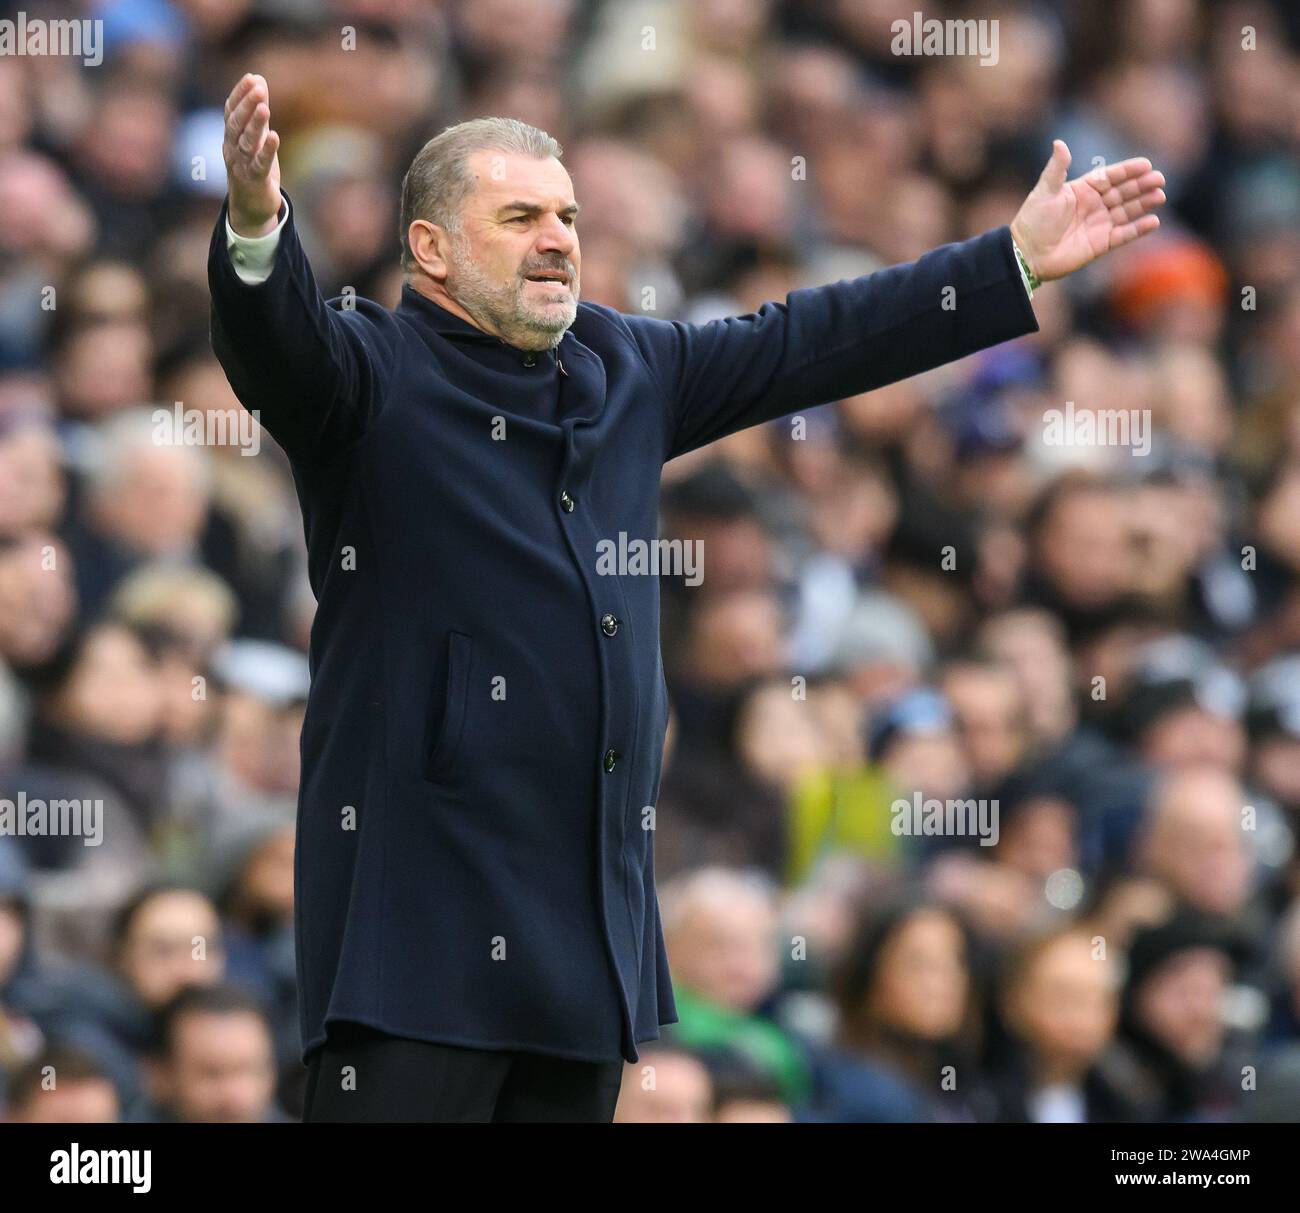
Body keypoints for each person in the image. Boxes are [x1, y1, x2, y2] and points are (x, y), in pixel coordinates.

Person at [209, 71, 1166, 1122]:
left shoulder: (628, 364)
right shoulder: (369, 374)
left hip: (583, 946)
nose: (557, 238)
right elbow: (276, 346)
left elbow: (811, 340)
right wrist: (258, 227)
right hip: (413, 938)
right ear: (430, 248)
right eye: (520, 216)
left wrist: (1011, 259)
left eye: (567, 216)